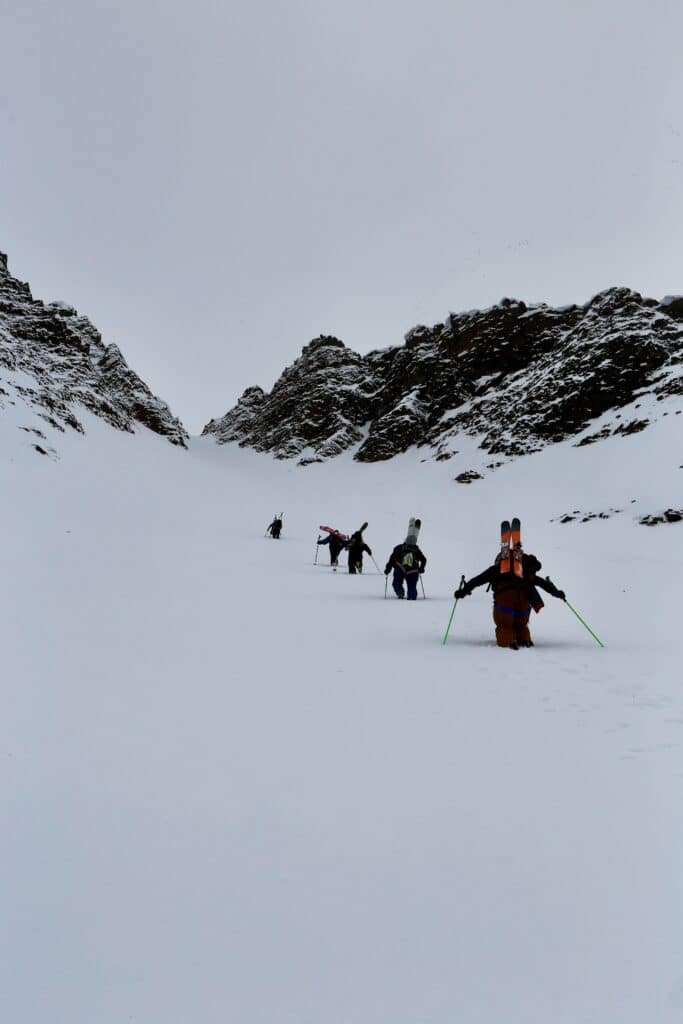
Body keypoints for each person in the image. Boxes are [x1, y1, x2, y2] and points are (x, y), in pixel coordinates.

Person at [454, 543, 565, 649]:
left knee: (505, 626)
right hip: (524, 607)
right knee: (521, 626)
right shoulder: (524, 571)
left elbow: (478, 580)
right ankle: (524, 639)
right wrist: (557, 593)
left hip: (505, 603)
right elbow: (542, 583)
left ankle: (507, 641)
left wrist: (463, 592)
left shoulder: (498, 569)